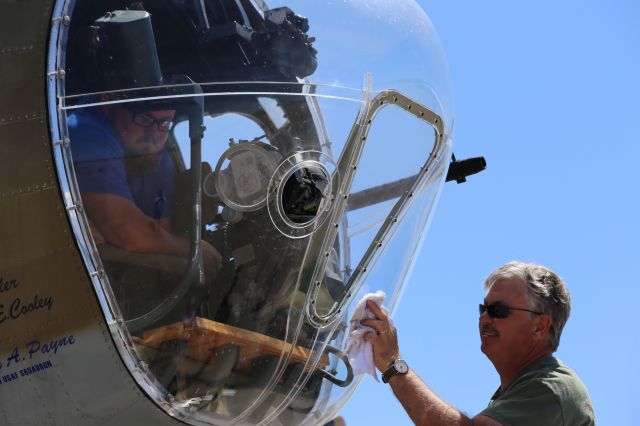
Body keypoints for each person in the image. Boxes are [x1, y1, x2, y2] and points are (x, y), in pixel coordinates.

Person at [362, 261, 595, 425]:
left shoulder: (550, 390)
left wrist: (393, 364)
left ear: (540, 326)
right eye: (483, 309)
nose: (484, 318)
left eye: (498, 310)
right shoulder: (522, 390)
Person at [68, 102, 221, 279]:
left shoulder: (156, 154)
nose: (154, 134)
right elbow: (127, 233)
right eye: (144, 119)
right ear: (111, 106)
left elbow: (161, 233)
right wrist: (193, 248)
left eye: (164, 124)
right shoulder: (87, 133)